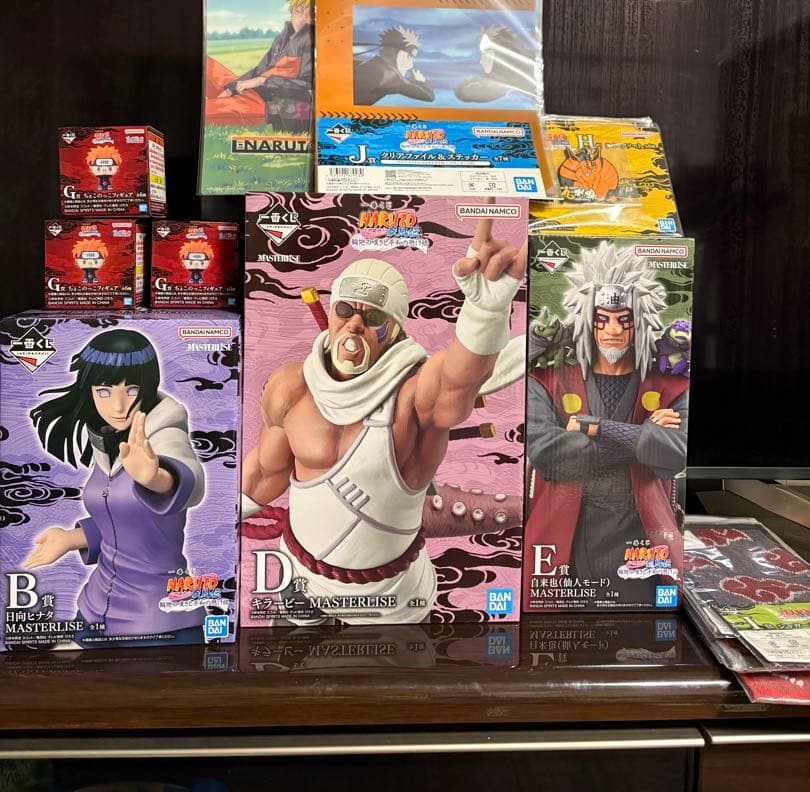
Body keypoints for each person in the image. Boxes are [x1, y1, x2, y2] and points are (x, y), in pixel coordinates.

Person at [241, 218, 526, 624]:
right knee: (279, 661)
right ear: (332, 314)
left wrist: (485, 312)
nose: (355, 325)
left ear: (393, 332)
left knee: (394, 667)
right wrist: (209, 517)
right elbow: (264, 473)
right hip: (299, 579)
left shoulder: (412, 399)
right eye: (345, 310)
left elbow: (457, 380)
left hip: (389, 599)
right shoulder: (291, 387)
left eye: (374, 318)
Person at [524, 242, 688, 604]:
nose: (613, 330)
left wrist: (594, 426)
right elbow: (548, 454)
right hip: (561, 544)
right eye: (602, 319)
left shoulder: (670, 383)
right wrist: (642, 439)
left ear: (640, 320)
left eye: (623, 319)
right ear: (586, 318)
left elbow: (676, 455)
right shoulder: (545, 378)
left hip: (644, 545)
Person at [26, 329, 206, 643]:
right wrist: (70, 538)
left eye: (132, 389)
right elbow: (123, 523)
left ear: (148, 387)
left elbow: (190, 483)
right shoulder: (108, 442)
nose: (119, 406)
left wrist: (156, 478)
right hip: (93, 612)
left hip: (159, 621)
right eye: (104, 391)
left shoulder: (163, 435)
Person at [204, 0, 313, 133]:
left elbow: (308, 83)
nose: (301, 16)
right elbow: (260, 69)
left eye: (311, 13)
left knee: (203, 111)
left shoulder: (312, 42)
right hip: (249, 89)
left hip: (265, 104)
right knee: (205, 63)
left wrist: (261, 81)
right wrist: (232, 88)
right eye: (299, 9)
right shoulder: (282, 38)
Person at [353, 26, 434, 106]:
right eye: (411, 56)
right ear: (399, 53)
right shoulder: (390, 76)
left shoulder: (362, 64)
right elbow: (428, 96)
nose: (411, 65)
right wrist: (420, 81)